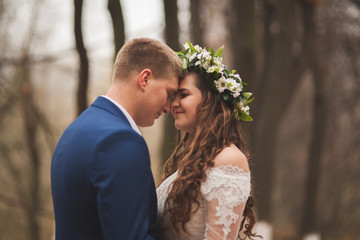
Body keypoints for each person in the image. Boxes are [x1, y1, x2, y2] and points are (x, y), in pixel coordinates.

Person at [51, 38, 183, 240]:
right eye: (169, 93)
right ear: (145, 79)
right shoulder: (120, 141)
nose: (168, 108)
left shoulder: (75, 130)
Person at [157, 42, 260, 240]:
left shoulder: (229, 159)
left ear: (209, 100)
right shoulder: (190, 161)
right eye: (173, 96)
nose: (174, 103)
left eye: (184, 95)